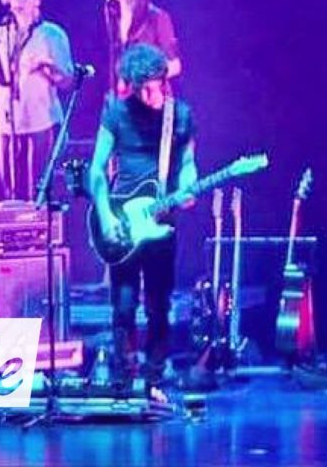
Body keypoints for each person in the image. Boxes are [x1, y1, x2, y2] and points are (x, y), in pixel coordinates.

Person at [88, 43, 197, 397]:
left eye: (156, 86)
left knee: (159, 303)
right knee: (123, 304)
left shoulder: (180, 116)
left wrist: (188, 185)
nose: (153, 95)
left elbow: (188, 163)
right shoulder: (116, 113)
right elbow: (96, 170)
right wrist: (105, 215)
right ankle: (124, 376)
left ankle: (154, 376)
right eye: (144, 89)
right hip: (121, 220)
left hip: (162, 221)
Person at [0, 0, 76, 201]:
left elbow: (68, 81)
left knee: (38, 190)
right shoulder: (2, 33)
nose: (17, 1)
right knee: (10, 194)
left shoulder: (51, 34)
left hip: (40, 120)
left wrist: (48, 68)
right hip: (5, 122)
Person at [103, 0, 183, 96]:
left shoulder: (157, 18)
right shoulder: (113, 17)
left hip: (152, 99)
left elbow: (175, 65)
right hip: (124, 100)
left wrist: (146, 78)